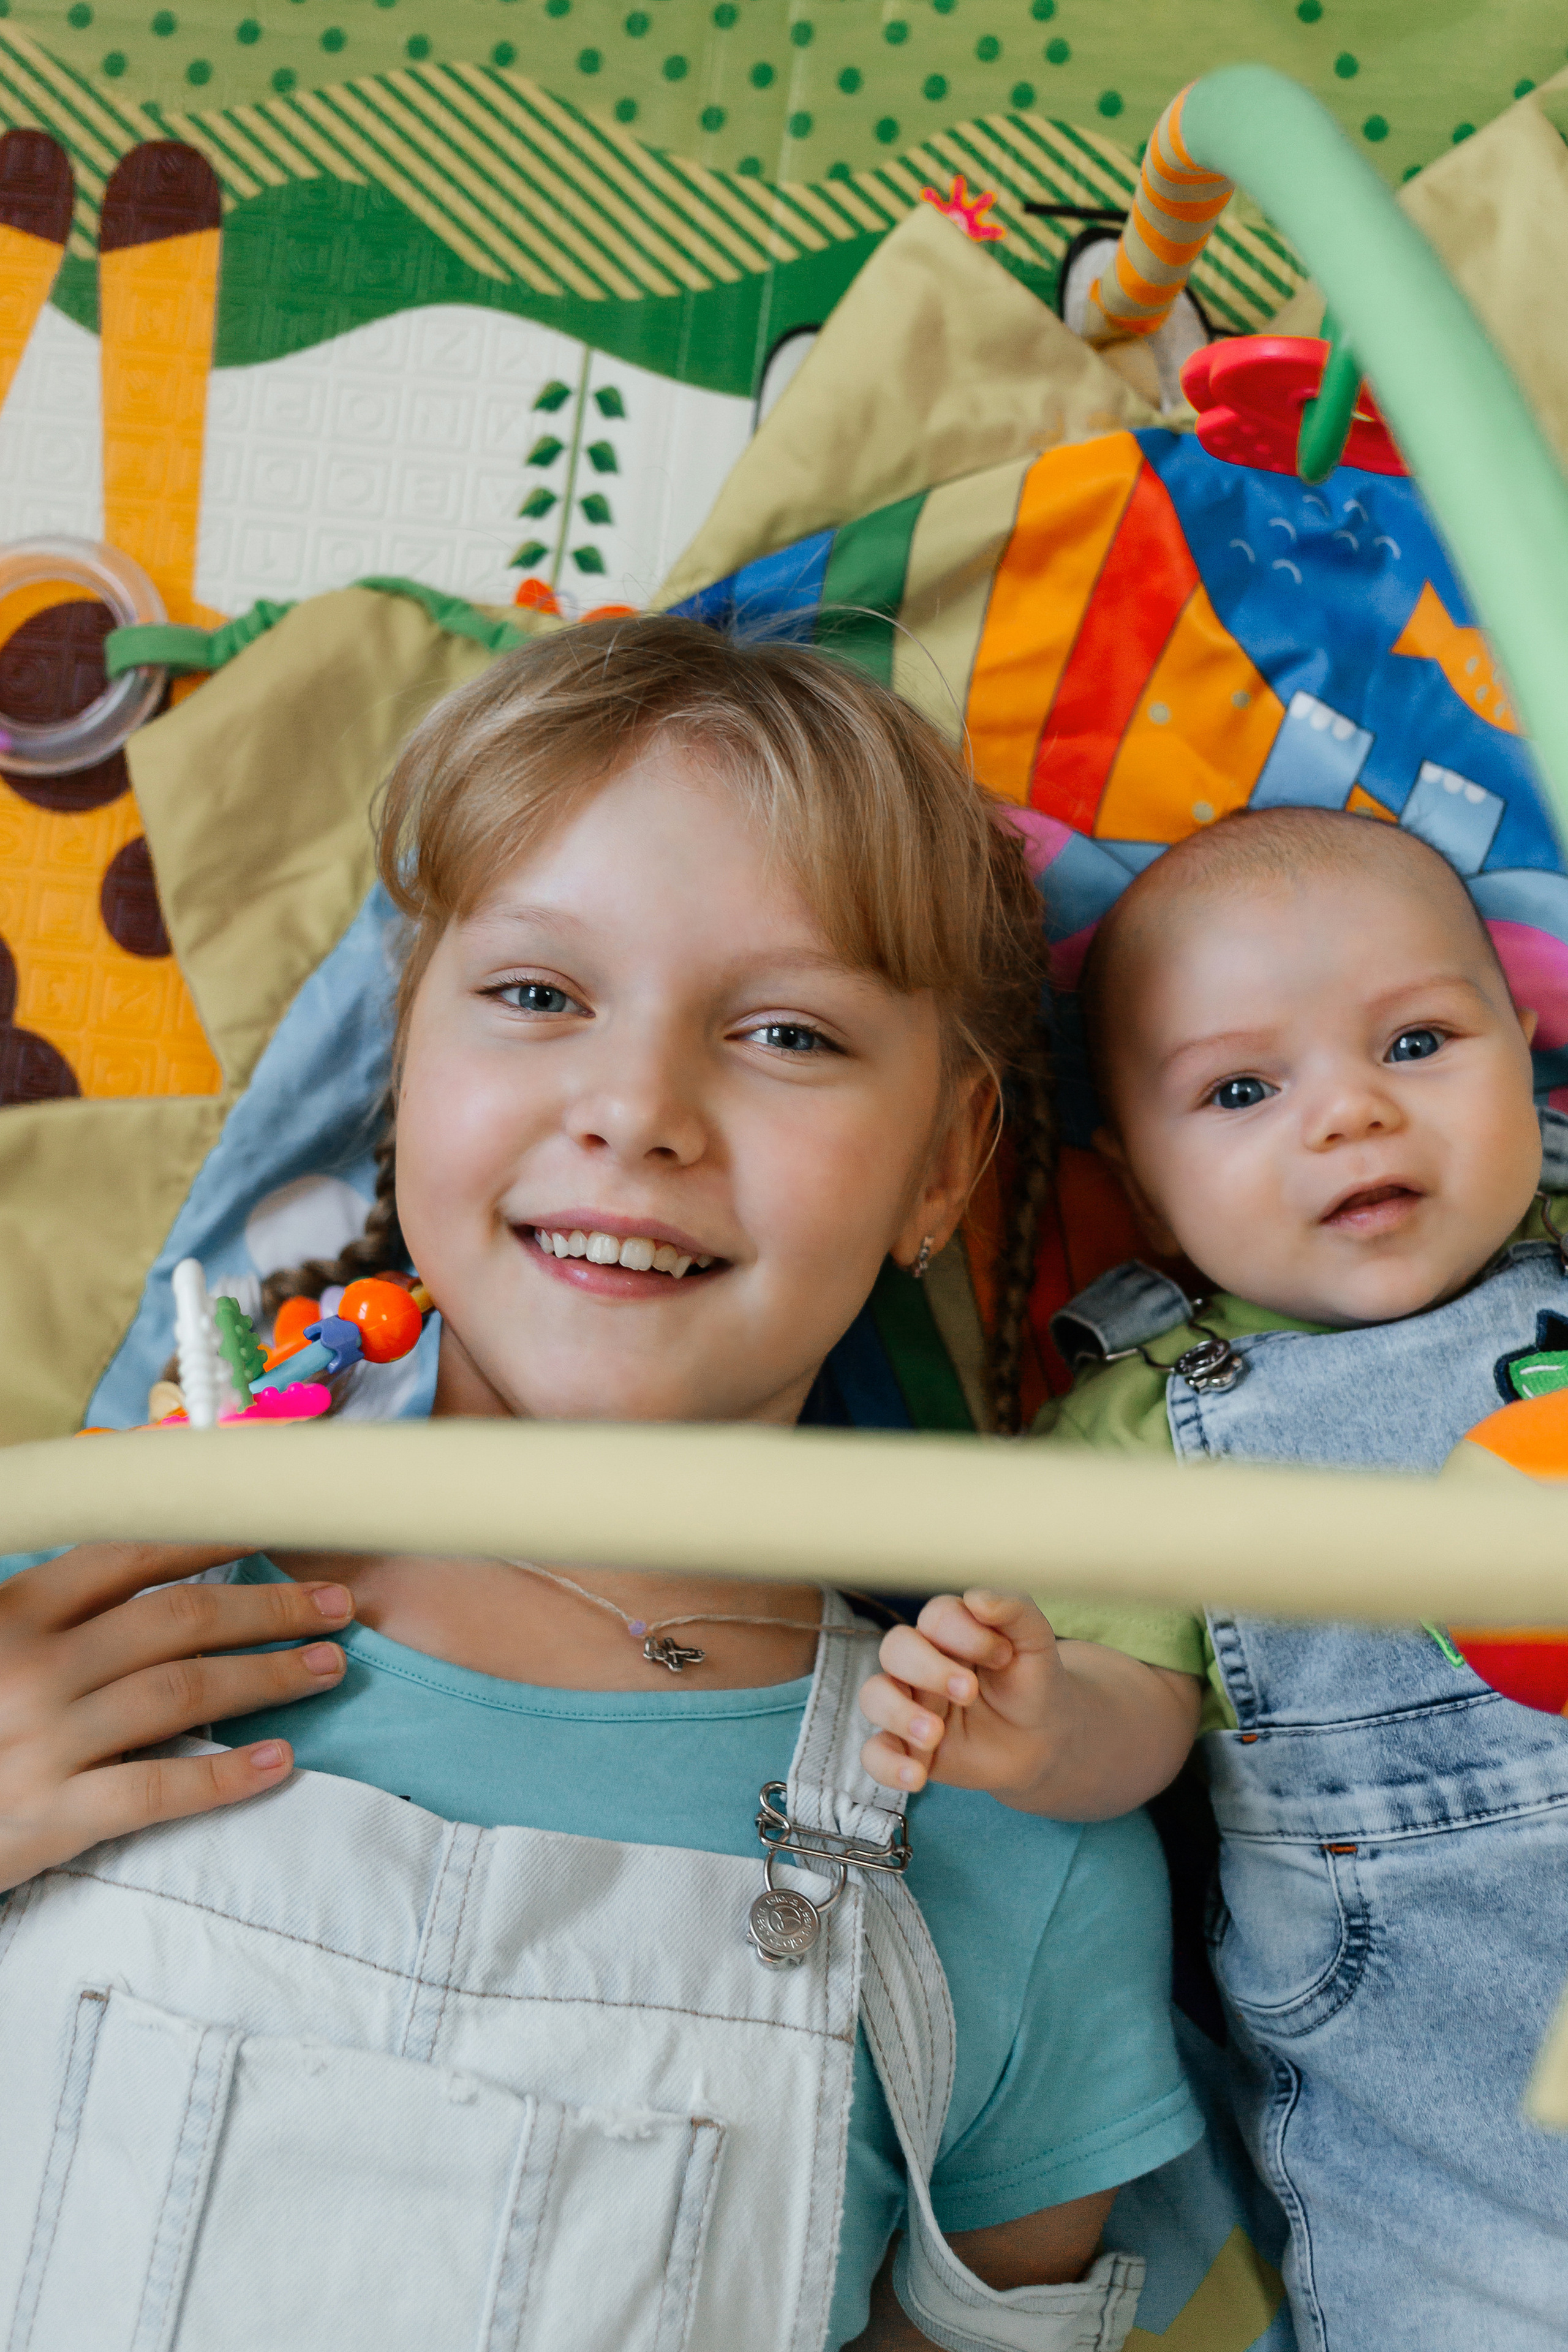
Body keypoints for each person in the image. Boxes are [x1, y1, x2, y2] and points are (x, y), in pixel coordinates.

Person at [0, 618, 1201, 2352]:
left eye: (785, 1033)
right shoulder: (77, 1593)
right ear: (404, 1058)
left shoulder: (1007, 1838)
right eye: (539, 997)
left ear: (943, 1168)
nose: (637, 1109)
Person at [859, 805, 1568, 2349]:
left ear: (1526, 1051)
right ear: (1139, 1175)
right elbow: (1140, 1718)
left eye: (1417, 1045)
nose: (1347, 1118)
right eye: (1242, 1088)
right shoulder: (1140, 1427)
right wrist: (1043, 1730)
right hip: (1447, 2074)